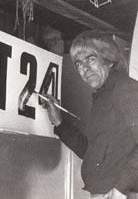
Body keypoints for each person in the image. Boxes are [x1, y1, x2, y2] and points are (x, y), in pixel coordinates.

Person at [42, 30, 138, 199]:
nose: (85, 68)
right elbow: (92, 154)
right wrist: (60, 124)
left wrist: (122, 188)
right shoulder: (102, 97)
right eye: (78, 64)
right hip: (104, 191)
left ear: (108, 60)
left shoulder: (125, 88)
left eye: (91, 60)